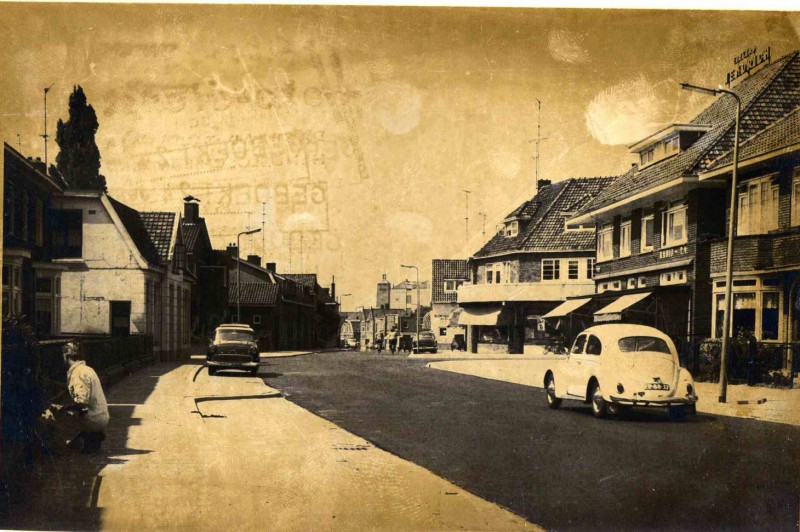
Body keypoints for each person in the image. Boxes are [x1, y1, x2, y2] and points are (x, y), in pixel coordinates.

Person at [40, 342, 110, 454]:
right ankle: (90, 436)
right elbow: (74, 387)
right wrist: (54, 383)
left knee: (48, 416)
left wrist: (61, 407)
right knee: (65, 412)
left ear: (66, 356)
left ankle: (61, 447)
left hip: (92, 419)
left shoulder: (77, 372)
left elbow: (82, 402)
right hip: (100, 416)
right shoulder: (86, 369)